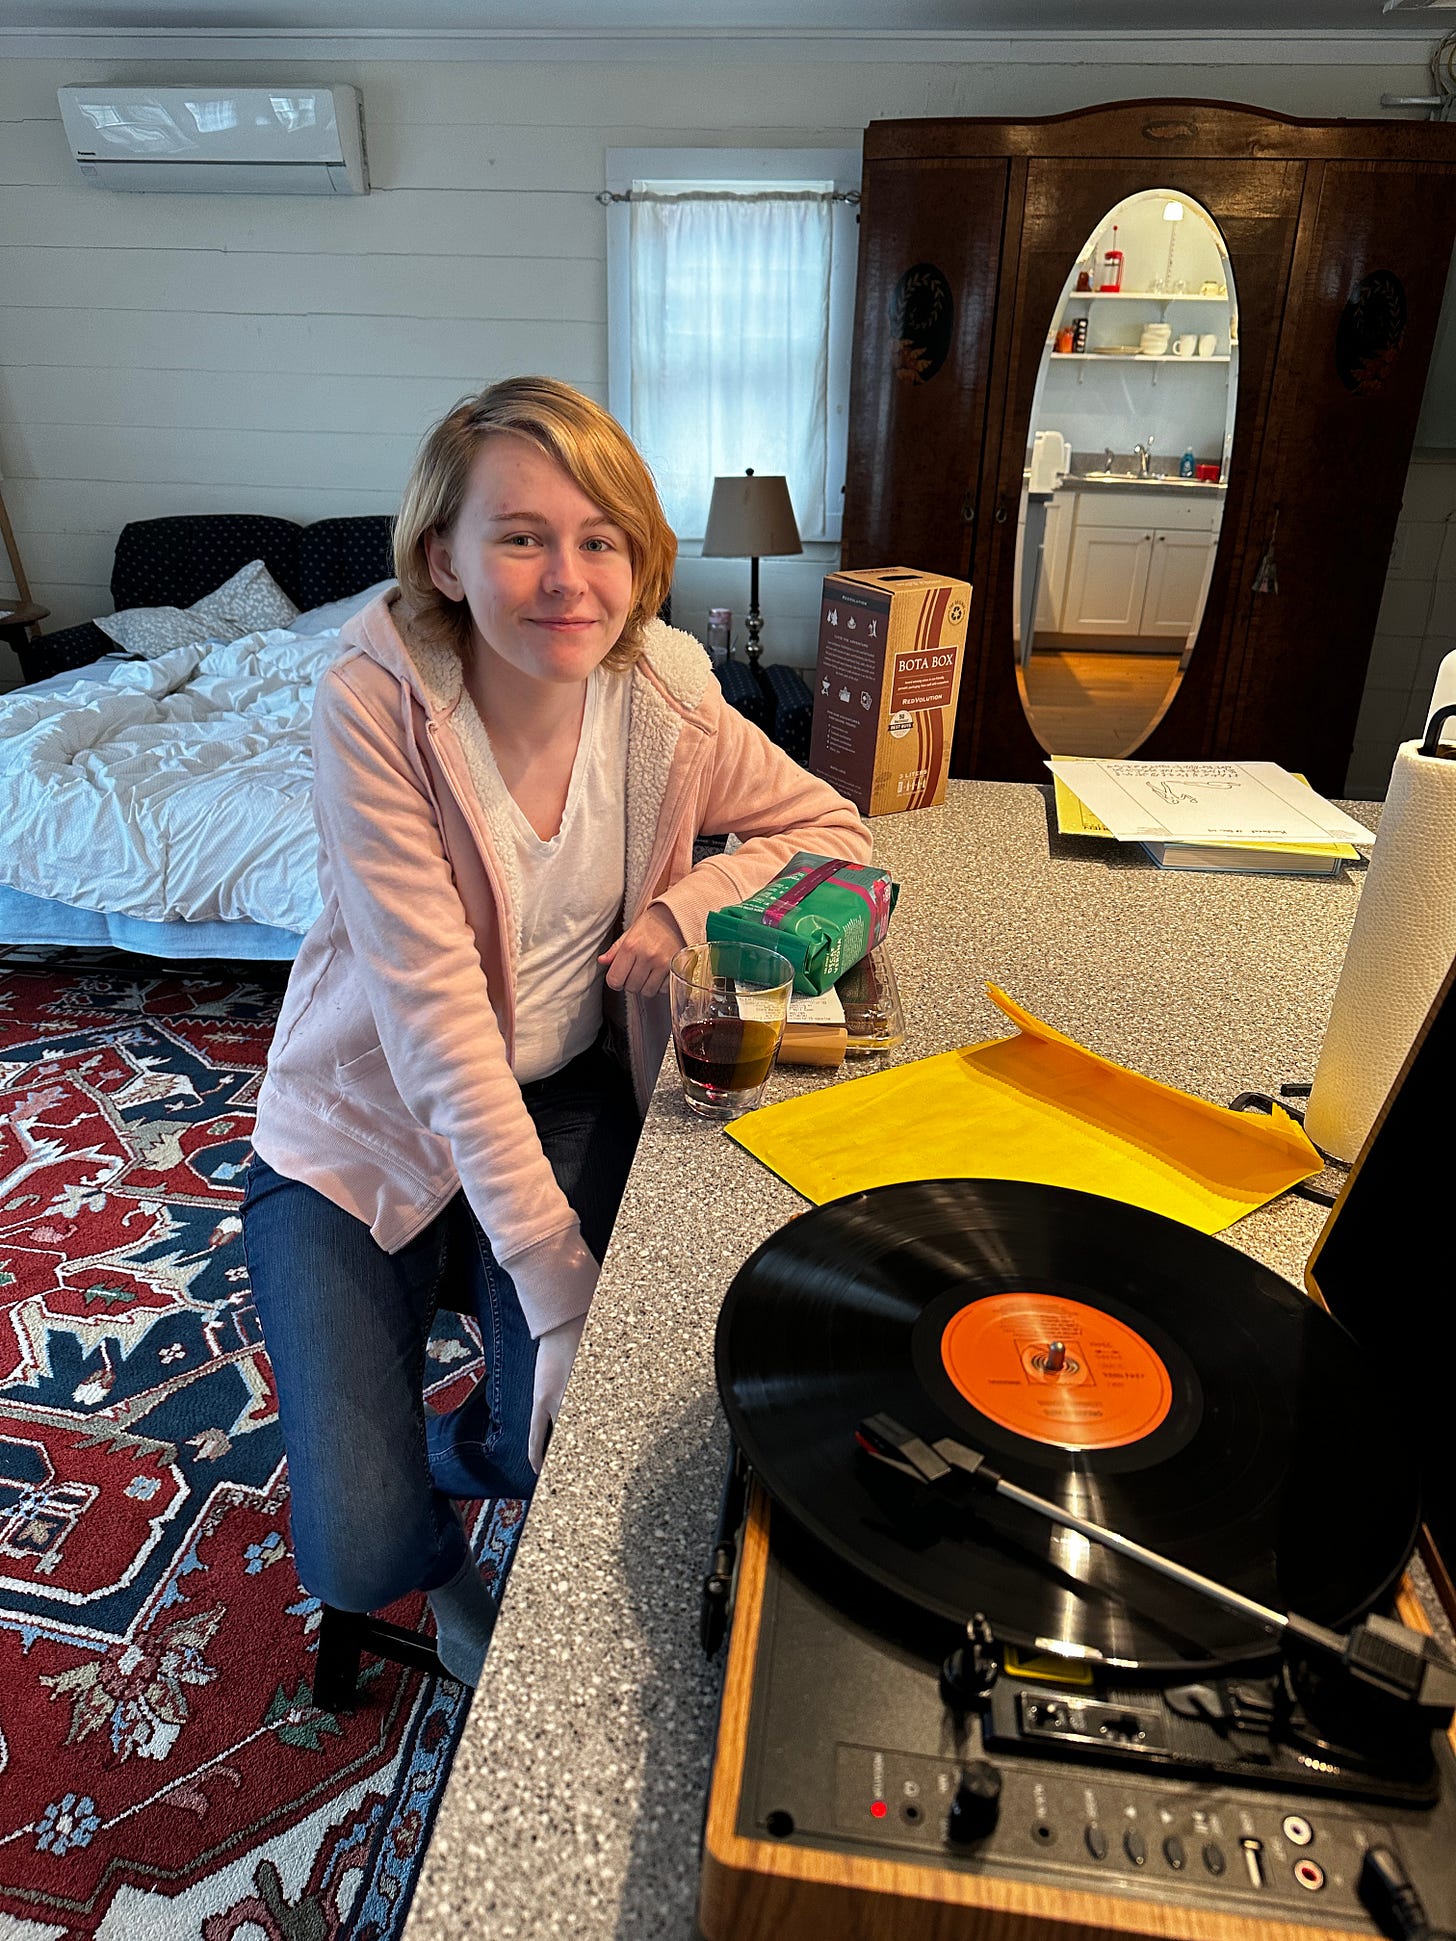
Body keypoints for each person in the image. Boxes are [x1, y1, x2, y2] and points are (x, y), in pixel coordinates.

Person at [242, 376, 870, 1685]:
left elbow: (828, 826)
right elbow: (435, 1028)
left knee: (560, 1439)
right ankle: (427, 1546)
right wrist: (558, 1278)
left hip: (561, 1095)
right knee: (353, 1552)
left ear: (640, 561)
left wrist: (687, 902)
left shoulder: (670, 692)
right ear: (443, 558)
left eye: (603, 538)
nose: (568, 576)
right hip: (360, 1118)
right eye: (521, 535)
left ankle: (442, 1442)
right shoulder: (374, 705)